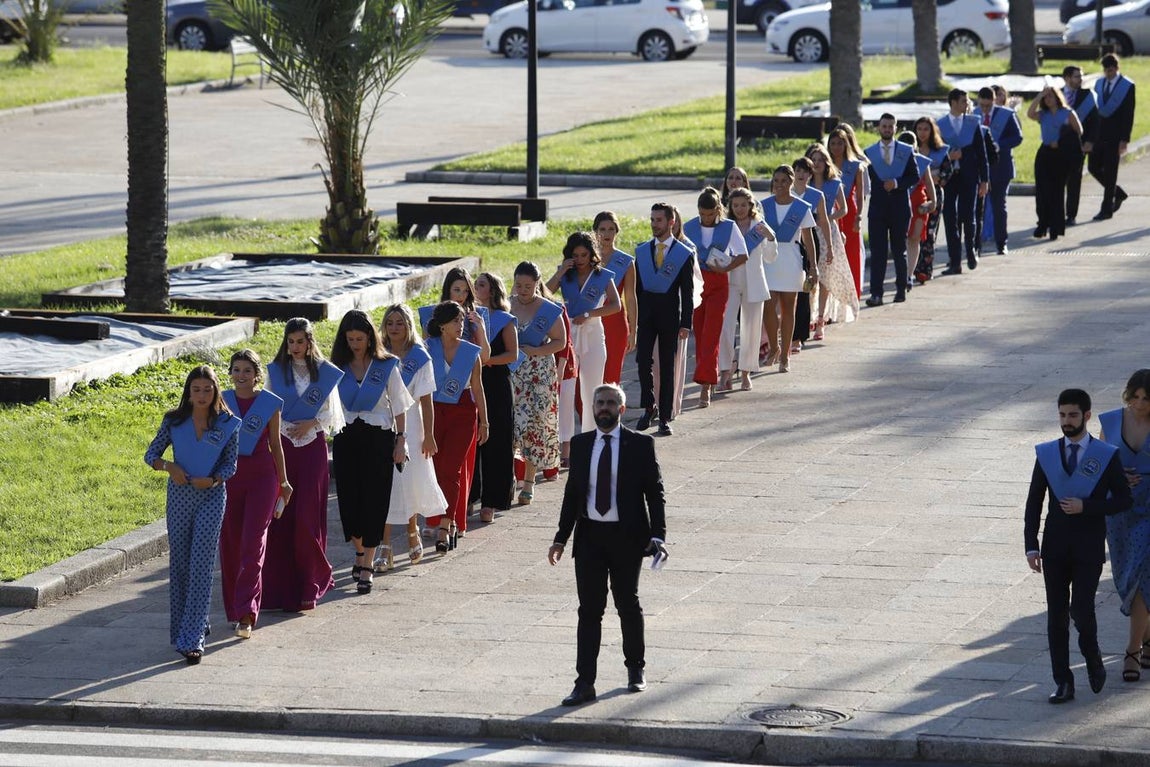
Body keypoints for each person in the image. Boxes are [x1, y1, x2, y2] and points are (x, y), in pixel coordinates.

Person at [548, 383, 668, 707]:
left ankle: (635, 670)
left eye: (610, 403)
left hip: (627, 538)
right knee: (589, 611)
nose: (603, 408)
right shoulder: (581, 443)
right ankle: (584, 682)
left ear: (621, 409)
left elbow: (654, 493)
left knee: (628, 605)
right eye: (599, 402)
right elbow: (572, 494)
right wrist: (561, 538)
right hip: (590, 540)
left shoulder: (640, 445)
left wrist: (659, 535)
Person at [1024, 388, 1132, 703]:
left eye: (1072, 415)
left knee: (1082, 611)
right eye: (1061, 415)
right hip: (1054, 547)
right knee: (1056, 616)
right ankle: (1064, 681)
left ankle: (1093, 657)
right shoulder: (1047, 454)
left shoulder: (1105, 455)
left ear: (1086, 416)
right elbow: (1034, 502)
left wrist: (1088, 508)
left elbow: (1124, 499)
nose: (1066, 421)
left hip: (1087, 547)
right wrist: (1031, 545)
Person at [145, 365, 240, 664]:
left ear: (216, 391)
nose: (201, 395)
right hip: (180, 498)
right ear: (188, 392)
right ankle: (187, 627)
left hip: (211, 497)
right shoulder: (174, 421)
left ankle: (193, 638)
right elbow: (151, 455)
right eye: (196, 389)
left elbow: (231, 465)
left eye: (207, 389)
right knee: (182, 564)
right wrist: (168, 467)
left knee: (201, 565)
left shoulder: (227, 423)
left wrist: (213, 480)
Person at [329, 309, 412, 594]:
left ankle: (367, 563)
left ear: (370, 337)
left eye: (360, 338)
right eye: (350, 339)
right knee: (350, 503)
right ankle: (359, 550)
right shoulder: (336, 368)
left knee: (375, 501)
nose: (355, 344)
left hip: (379, 437)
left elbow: (399, 405)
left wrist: (402, 440)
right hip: (347, 438)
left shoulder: (386, 365)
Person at [264, 318, 343, 613]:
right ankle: (280, 589)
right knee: (282, 516)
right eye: (291, 342)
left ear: (310, 341)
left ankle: (311, 582)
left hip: (312, 448)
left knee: (308, 516)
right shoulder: (276, 373)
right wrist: (284, 427)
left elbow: (333, 415)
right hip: (283, 447)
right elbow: (268, 407)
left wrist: (311, 422)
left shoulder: (324, 373)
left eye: (301, 341)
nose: (295, 347)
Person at [219, 349, 290, 640]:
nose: (241, 376)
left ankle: (248, 612)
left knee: (253, 543)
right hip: (230, 477)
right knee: (231, 544)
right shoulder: (222, 400)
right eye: (236, 370)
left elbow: (276, 443)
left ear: (256, 374)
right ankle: (235, 608)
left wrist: (284, 482)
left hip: (262, 478)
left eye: (247, 370)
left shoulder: (269, 404)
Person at [381, 304, 446, 565]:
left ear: (408, 325)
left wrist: (428, 435)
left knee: (408, 481)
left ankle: (411, 531)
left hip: (412, 426)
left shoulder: (420, 356)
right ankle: (384, 543)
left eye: (400, 322)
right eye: (390, 323)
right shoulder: (379, 354)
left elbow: (427, 401)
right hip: (383, 423)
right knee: (385, 485)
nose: (395, 328)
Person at [1097, 370, 1150, 683]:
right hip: (1119, 510)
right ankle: (1148, 638)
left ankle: (1131, 650)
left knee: (1144, 571)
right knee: (1128, 576)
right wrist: (1117, 479)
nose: (1139, 404)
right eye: (1135, 397)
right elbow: (1098, 465)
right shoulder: (1110, 422)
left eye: (1146, 399)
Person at [425, 301, 488, 551]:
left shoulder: (471, 352)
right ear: (442, 326)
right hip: (433, 410)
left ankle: (446, 524)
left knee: (452, 470)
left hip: (462, 412)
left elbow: (478, 388)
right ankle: (443, 520)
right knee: (436, 468)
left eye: (462, 321)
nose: (460, 325)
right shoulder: (428, 349)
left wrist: (485, 421)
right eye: (455, 321)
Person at [547, 232, 622, 432]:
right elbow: (544, 295)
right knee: (566, 390)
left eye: (584, 255)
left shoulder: (602, 275)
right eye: (576, 255)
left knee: (592, 390)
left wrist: (589, 313)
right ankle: (566, 442)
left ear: (591, 254)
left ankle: (591, 435)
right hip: (568, 336)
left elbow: (616, 305)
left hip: (594, 334)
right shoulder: (565, 274)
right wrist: (561, 271)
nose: (580, 260)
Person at [682, 187, 747, 407]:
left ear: (718, 210)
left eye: (710, 214)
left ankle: (706, 386)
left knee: (711, 333)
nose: (706, 219)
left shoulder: (729, 227)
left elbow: (743, 254)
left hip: (719, 284)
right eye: (702, 214)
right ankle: (707, 377)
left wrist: (726, 267)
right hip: (698, 285)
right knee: (699, 334)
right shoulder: (689, 227)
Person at [634, 202, 694, 436]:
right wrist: (634, 317)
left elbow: (687, 292)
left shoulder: (682, 253)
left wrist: (686, 323)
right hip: (646, 316)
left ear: (671, 222)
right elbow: (637, 289)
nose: (654, 224)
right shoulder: (642, 251)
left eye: (659, 220)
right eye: (652, 220)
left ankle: (665, 416)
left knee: (667, 366)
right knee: (642, 362)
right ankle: (648, 407)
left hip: (670, 317)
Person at [511, 262, 566, 504]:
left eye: (528, 286)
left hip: (538, 374)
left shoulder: (547, 309)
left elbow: (560, 342)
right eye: (519, 284)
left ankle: (530, 481)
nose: (523, 289)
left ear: (537, 284)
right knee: (511, 425)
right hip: (513, 373)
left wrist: (536, 350)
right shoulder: (507, 304)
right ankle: (512, 477)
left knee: (534, 424)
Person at [472, 272, 519, 524]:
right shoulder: (467, 317)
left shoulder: (504, 319)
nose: (475, 288)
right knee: (472, 442)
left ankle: (492, 501)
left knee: (497, 443)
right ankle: (469, 498)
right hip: (471, 383)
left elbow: (513, 354)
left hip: (497, 385)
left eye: (480, 284)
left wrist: (488, 360)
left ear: (492, 290)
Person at [761, 165, 816, 374]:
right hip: (769, 260)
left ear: (791, 182)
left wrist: (812, 267)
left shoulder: (801, 207)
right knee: (768, 307)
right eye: (776, 181)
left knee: (787, 309)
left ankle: (785, 355)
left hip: (791, 260)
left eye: (784, 181)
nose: (780, 185)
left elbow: (808, 239)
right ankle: (774, 347)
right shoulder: (764, 205)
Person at [863, 113, 919, 306]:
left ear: (896, 128)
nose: (887, 129)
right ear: (879, 127)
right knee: (878, 252)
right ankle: (876, 294)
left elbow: (914, 176)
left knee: (899, 251)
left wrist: (896, 183)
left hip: (900, 208)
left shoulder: (906, 151)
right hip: (878, 210)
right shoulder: (869, 153)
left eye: (890, 126)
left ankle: (901, 289)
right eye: (884, 126)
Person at [805, 142, 858, 334]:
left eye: (820, 160)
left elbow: (843, 209)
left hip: (828, 232)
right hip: (808, 231)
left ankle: (821, 319)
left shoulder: (834, 183)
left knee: (825, 277)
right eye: (813, 160)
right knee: (811, 274)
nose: (817, 163)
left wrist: (827, 218)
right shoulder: (805, 183)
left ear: (827, 162)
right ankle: (809, 315)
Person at [723, 187, 772, 390]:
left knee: (751, 329)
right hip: (730, 282)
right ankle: (725, 372)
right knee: (725, 328)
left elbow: (771, 257)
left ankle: (745, 373)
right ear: (731, 207)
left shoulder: (759, 226)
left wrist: (771, 237)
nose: (740, 209)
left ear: (750, 205)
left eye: (744, 205)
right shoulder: (726, 227)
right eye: (736, 205)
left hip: (754, 283)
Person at [938, 89, 989, 275]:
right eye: (962, 101)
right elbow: (937, 151)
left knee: (969, 215)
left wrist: (985, 180)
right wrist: (949, 156)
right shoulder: (941, 124)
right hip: (949, 178)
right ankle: (955, 260)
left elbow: (981, 153)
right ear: (952, 102)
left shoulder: (973, 123)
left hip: (969, 175)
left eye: (967, 101)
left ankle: (971, 250)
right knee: (950, 218)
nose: (966, 104)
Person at [1027, 86, 1082, 242]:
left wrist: (1062, 141)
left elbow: (1079, 131)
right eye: (1046, 97)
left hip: (1061, 155)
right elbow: (1030, 114)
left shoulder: (1068, 113)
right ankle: (1042, 224)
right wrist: (1039, 95)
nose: (1048, 99)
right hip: (1045, 154)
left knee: (1056, 192)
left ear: (1057, 97)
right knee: (1042, 191)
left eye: (1050, 96)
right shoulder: (1043, 115)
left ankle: (1055, 227)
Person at [1088, 53, 1136, 221]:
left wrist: (1125, 139)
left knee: (1110, 172)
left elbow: (1128, 114)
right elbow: (1095, 110)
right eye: (1106, 71)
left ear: (1117, 68)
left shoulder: (1127, 86)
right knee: (1093, 168)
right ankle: (1118, 193)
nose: (1109, 74)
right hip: (1098, 134)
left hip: (1115, 136)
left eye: (1111, 70)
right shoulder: (1099, 83)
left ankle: (1106, 209)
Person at [976, 85, 1022, 255]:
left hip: (1001, 167)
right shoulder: (973, 114)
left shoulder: (1006, 115)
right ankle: (976, 242)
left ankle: (1001, 242)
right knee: (977, 208)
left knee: (998, 206)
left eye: (988, 105)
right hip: (980, 169)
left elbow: (1018, 137)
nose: (985, 109)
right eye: (982, 105)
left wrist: (999, 145)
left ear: (994, 100)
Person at [593, 212, 638, 386]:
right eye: (602, 229)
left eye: (611, 229)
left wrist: (633, 330)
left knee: (611, 377)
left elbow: (630, 297)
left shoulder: (625, 261)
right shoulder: (585, 258)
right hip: (590, 322)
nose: (607, 234)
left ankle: (611, 412)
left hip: (616, 325)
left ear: (616, 232)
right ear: (595, 232)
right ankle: (587, 414)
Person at [911, 117, 953, 284]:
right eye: (919, 129)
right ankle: (911, 268)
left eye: (926, 129)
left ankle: (925, 270)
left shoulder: (940, 151)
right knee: (914, 232)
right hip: (914, 195)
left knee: (929, 232)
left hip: (934, 195)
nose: (922, 132)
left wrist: (937, 178)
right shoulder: (909, 150)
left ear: (932, 131)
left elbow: (947, 172)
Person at [826, 126, 866, 299]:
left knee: (851, 253)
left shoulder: (856, 166)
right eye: (833, 143)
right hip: (830, 210)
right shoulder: (825, 166)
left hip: (849, 211)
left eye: (840, 143)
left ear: (846, 145)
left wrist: (858, 218)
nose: (836, 147)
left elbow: (860, 195)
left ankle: (853, 294)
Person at [899, 129, 937, 291]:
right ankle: (903, 273)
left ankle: (908, 275)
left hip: (919, 206)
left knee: (914, 240)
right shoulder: (895, 161)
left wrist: (933, 202)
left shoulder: (922, 162)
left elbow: (929, 184)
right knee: (902, 241)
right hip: (899, 204)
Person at [1061, 65, 1099, 226]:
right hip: (1058, 145)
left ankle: (1071, 215)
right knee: (1056, 182)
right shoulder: (1056, 95)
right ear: (1067, 78)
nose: (1081, 79)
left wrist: (1090, 141)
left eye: (1081, 76)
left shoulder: (1088, 95)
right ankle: (1055, 214)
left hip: (1078, 145)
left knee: (1074, 181)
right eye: (1077, 76)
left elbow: (1095, 121)